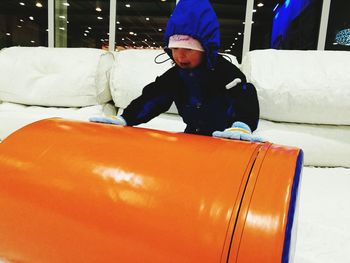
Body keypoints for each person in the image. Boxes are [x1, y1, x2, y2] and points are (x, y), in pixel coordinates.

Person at [90, 0, 261, 142]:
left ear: (205, 49)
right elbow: (152, 98)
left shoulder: (226, 73)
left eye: (188, 49)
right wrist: (125, 118)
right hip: (192, 137)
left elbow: (244, 97)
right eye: (175, 49)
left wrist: (242, 124)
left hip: (227, 139)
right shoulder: (175, 76)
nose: (180, 56)